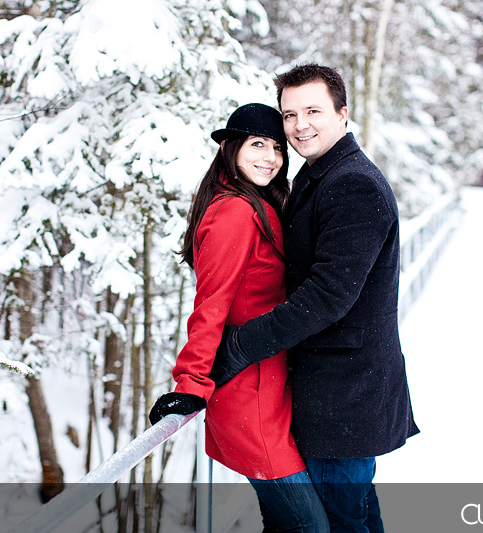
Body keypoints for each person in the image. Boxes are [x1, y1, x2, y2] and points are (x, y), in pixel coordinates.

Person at [209, 64, 420, 531]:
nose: (300, 125)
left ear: (342, 113)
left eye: (313, 111)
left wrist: (241, 345)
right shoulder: (319, 175)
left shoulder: (353, 185)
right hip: (331, 399)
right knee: (355, 518)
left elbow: (327, 297)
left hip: (340, 400)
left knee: (339, 521)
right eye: (290, 115)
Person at [149, 103, 330, 533]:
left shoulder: (257, 204)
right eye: (257, 144)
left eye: (277, 148)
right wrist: (191, 383)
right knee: (311, 527)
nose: (270, 157)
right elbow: (211, 305)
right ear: (232, 148)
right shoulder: (235, 212)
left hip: (268, 389)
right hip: (249, 397)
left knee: (283, 523)